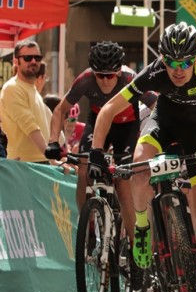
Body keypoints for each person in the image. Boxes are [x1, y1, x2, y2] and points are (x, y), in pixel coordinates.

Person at [88, 24, 196, 292]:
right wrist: (96, 152)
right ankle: (142, 226)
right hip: (164, 126)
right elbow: (108, 110)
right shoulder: (153, 73)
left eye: (185, 63)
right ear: (162, 59)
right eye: (171, 62)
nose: (178, 70)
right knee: (140, 167)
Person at [45, 40, 151, 249]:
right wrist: (52, 141)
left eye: (109, 75)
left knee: (122, 186)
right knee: (83, 170)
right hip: (97, 122)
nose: (103, 80)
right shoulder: (85, 80)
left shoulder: (131, 79)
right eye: (99, 75)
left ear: (119, 73)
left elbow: (156, 104)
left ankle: (134, 245)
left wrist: (153, 137)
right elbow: (59, 110)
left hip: (126, 126)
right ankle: (88, 226)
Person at [0, 41, 51, 163]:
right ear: (16, 62)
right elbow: (30, 126)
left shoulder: (31, 89)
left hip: (39, 163)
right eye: (28, 58)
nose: (33, 61)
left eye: (37, 58)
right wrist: (52, 158)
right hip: (25, 165)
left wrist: (64, 156)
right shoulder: (12, 88)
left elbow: (48, 125)